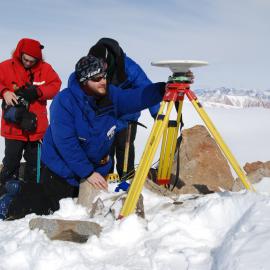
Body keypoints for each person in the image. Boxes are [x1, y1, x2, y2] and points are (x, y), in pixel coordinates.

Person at [0, 55, 166, 220]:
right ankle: (10, 202)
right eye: (96, 78)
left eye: (104, 76)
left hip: (90, 167)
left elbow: (135, 98)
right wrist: (87, 172)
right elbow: (66, 143)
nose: (103, 81)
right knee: (50, 207)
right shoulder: (64, 102)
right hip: (61, 167)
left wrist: (162, 89)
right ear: (84, 81)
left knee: (79, 205)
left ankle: (19, 188)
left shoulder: (111, 95)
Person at [88, 38, 160, 179]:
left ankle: (127, 178)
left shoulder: (129, 67)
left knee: (124, 148)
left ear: (109, 59)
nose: (99, 67)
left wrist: (157, 112)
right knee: (104, 149)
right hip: (105, 116)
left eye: (102, 63)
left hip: (127, 118)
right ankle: (105, 179)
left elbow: (146, 89)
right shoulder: (94, 67)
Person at [0, 38, 61, 185]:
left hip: (36, 130)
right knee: (11, 161)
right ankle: (6, 194)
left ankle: (31, 195)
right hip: (13, 128)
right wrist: (4, 91)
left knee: (36, 165)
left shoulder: (45, 69)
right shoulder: (6, 67)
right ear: (20, 54)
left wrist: (39, 91)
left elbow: (55, 85)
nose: (28, 63)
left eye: (32, 61)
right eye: (26, 59)